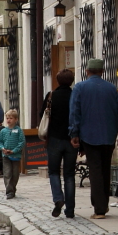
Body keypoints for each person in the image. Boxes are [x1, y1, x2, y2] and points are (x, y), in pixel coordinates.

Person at [69, 58, 118, 219]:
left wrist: (74, 133)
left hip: (89, 135)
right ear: (102, 72)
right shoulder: (112, 89)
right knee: (105, 169)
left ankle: (99, 209)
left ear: (87, 71)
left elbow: (75, 112)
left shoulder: (80, 88)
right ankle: (103, 204)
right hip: (109, 135)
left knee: (95, 170)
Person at [43, 70, 77, 218]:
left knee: (53, 172)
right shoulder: (75, 95)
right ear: (72, 81)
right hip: (71, 139)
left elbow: (42, 115)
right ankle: (70, 210)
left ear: (57, 80)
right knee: (69, 175)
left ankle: (58, 198)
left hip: (54, 139)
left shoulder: (51, 96)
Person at [0, 109, 25, 200]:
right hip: (6, 156)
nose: (8, 120)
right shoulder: (3, 131)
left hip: (15, 156)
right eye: (7, 118)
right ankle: (9, 191)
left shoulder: (19, 131)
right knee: (7, 173)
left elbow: (22, 142)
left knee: (15, 174)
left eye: (11, 118)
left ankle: (13, 188)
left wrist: (14, 151)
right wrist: (2, 148)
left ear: (16, 119)